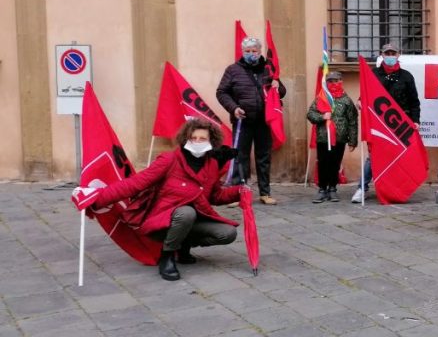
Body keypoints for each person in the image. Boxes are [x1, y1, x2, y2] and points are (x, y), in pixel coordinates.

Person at [81, 119, 243, 281]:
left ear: (211, 141)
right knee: (186, 213)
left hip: (195, 218)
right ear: (186, 139)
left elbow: (215, 196)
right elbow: (135, 184)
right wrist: (97, 197)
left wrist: (239, 192)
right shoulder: (169, 160)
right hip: (163, 220)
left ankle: (183, 246)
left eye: (203, 139)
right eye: (193, 138)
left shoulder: (212, 164)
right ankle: (167, 256)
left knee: (228, 233)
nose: (197, 142)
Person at [216, 36, 286, 205]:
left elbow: (281, 92)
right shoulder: (233, 70)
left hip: (264, 120)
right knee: (240, 156)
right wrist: (234, 108)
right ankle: (238, 193)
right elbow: (221, 92)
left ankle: (265, 192)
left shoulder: (269, 70)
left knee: (264, 156)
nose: (251, 54)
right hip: (242, 121)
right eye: (247, 51)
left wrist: (278, 85)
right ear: (242, 52)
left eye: (254, 51)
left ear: (259, 51)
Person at [354, 42, 421, 203]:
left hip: (400, 123)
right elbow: (366, 93)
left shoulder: (406, 76)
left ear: (398, 55)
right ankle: (362, 188)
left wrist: (416, 120)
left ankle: (396, 189)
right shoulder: (374, 74)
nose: (390, 56)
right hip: (379, 123)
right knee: (373, 157)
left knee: (400, 157)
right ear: (382, 55)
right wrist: (360, 101)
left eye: (393, 53)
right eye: (387, 53)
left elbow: (414, 102)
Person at [306, 71, 358, 203]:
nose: (334, 83)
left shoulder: (346, 100)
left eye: (336, 81)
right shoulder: (321, 98)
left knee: (335, 164)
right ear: (327, 83)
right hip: (323, 137)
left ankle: (333, 188)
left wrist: (352, 140)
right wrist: (322, 117)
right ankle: (322, 189)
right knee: (323, 163)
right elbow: (310, 114)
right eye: (330, 81)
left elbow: (352, 121)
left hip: (339, 138)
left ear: (341, 82)